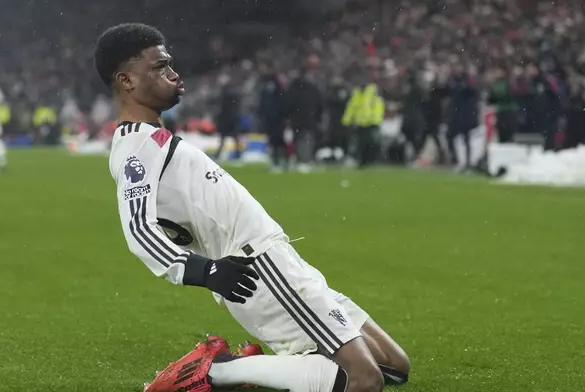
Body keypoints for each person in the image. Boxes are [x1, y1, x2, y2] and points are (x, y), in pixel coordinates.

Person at [94, 23, 410, 392]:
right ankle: (216, 370)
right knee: (363, 380)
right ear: (127, 81)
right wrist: (205, 271)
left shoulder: (153, 137)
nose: (173, 74)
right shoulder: (137, 146)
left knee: (394, 367)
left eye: (170, 64)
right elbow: (139, 229)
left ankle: (251, 368)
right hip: (257, 266)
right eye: (160, 67)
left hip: (277, 258)